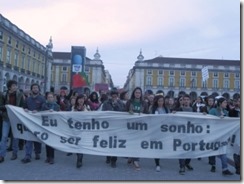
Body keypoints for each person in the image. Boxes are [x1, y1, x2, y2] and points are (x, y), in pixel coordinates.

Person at [0, 80, 25, 163]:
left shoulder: (20, 95)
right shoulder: (3, 94)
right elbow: (0, 106)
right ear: (9, 87)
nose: (15, 87)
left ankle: (15, 153)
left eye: (16, 85)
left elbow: (22, 106)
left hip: (16, 118)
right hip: (6, 118)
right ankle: (1, 155)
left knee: (15, 137)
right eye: (13, 85)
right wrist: (6, 107)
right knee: (4, 137)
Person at [125, 87, 149, 170]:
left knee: (137, 143)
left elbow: (147, 114)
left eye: (139, 93)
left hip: (140, 126)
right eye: (136, 92)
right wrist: (128, 112)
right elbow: (123, 112)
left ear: (141, 94)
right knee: (131, 142)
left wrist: (143, 115)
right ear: (134, 93)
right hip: (130, 126)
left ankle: (135, 160)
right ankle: (131, 156)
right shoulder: (129, 102)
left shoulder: (144, 103)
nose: (137, 94)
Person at [21, 83, 46, 164]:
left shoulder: (42, 99)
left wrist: (38, 111)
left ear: (38, 89)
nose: (35, 89)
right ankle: (27, 155)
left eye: (36, 88)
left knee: (37, 139)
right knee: (29, 138)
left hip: (38, 122)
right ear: (31, 89)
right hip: (29, 122)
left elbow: (44, 109)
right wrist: (25, 109)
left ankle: (37, 152)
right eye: (34, 88)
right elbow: (24, 106)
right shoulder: (28, 99)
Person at [208, 97, 233, 175]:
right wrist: (218, 119)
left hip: (223, 135)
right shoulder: (212, 111)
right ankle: (213, 165)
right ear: (220, 103)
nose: (226, 104)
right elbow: (208, 121)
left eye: (226, 102)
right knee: (213, 150)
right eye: (225, 102)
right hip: (214, 134)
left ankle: (225, 169)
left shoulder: (226, 112)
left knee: (223, 151)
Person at [102, 89, 125, 168]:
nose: (114, 96)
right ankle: (108, 156)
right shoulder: (106, 103)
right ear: (111, 95)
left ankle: (114, 160)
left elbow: (123, 112)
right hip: (108, 126)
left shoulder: (121, 103)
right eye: (113, 95)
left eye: (115, 95)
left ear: (117, 96)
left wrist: (116, 105)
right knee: (108, 143)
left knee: (115, 143)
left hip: (117, 126)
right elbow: (103, 113)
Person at [173, 94, 194, 175]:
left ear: (190, 101)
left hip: (191, 132)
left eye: (187, 99)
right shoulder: (179, 109)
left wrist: (203, 114)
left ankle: (187, 162)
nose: (186, 101)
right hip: (181, 132)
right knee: (181, 149)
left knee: (191, 149)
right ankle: (182, 166)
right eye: (184, 99)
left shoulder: (193, 110)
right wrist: (174, 113)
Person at [150, 94, 169, 172]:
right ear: (156, 102)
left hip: (164, 130)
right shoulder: (153, 109)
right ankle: (157, 163)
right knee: (157, 147)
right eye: (159, 101)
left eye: (162, 101)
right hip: (156, 130)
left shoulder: (166, 109)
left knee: (162, 147)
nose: (161, 102)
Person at [41, 92, 60, 164]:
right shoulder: (44, 105)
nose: (50, 98)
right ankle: (47, 157)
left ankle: (52, 157)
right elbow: (40, 113)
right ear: (47, 98)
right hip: (46, 126)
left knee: (52, 142)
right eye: (48, 97)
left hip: (53, 126)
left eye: (51, 97)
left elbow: (59, 115)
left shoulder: (56, 106)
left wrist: (54, 112)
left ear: (53, 98)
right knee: (47, 142)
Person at [72, 94, 91, 168]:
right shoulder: (73, 108)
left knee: (81, 144)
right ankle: (78, 157)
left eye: (82, 99)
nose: (81, 100)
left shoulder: (87, 107)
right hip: (75, 129)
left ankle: (79, 160)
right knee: (77, 144)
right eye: (79, 99)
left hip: (84, 129)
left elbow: (90, 116)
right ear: (77, 100)